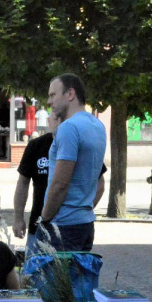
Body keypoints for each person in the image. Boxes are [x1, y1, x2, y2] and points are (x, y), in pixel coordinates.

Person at [14, 110, 107, 254]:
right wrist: (18, 217)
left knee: (63, 272)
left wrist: (82, 208)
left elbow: (100, 183)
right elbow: (22, 182)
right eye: (55, 117)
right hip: (38, 225)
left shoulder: (79, 142)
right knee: (34, 273)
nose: (58, 122)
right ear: (48, 121)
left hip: (66, 225)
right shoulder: (36, 145)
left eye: (61, 118)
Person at [39, 73, 106, 252]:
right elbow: (98, 180)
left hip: (63, 225)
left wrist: (44, 219)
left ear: (70, 94)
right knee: (80, 280)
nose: (49, 101)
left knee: (57, 280)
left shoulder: (69, 128)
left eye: (53, 95)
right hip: (85, 223)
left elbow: (60, 184)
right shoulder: (97, 126)